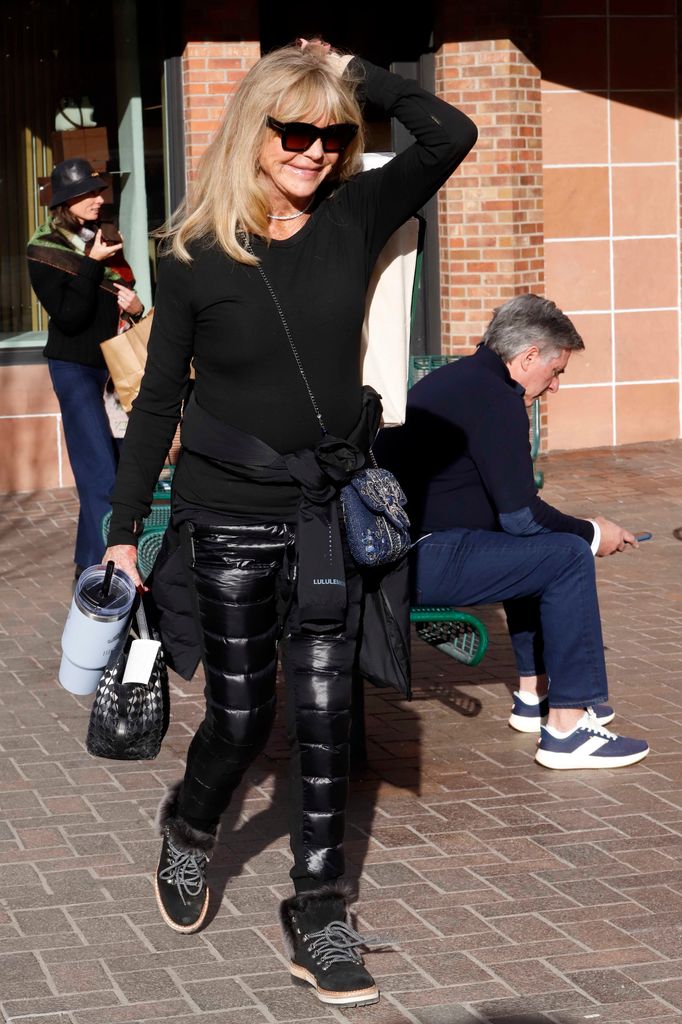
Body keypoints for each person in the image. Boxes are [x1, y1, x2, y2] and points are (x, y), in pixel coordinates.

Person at [101, 39, 477, 1008]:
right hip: (224, 515)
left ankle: (317, 909)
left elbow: (451, 131)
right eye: (294, 129)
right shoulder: (191, 253)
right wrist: (122, 526)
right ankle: (189, 828)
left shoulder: (356, 214)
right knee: (239, 717)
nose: (313, 149)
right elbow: (157, 406)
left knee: (321, 719)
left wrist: (359, 80)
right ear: (254, 130)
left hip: (322, 514)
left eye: (330, 134)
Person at [375, 293, 649, 771]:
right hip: (419, 556)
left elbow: (513, 517)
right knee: (565, 556)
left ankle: (534, 694)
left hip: (405, 546)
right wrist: (591, 531)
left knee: (537, 548)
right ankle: (566, 728)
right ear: (527, 357)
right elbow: (523, 514)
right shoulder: (496, 399)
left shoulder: (459, 379)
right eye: (556, 371)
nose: (555, 386)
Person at [27, 158, 143, 577]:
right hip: (75, 370)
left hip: (116, 371)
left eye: (99, 192)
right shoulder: (43, 251)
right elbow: (69, 315)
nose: (99, 199)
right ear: (66, 201)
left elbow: (123, 293)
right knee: (99, 476)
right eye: (89, 194)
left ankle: (86, 569)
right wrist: (92, 263)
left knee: (119, 468)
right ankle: (111, 574)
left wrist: (136, 304)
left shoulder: (105, 236)